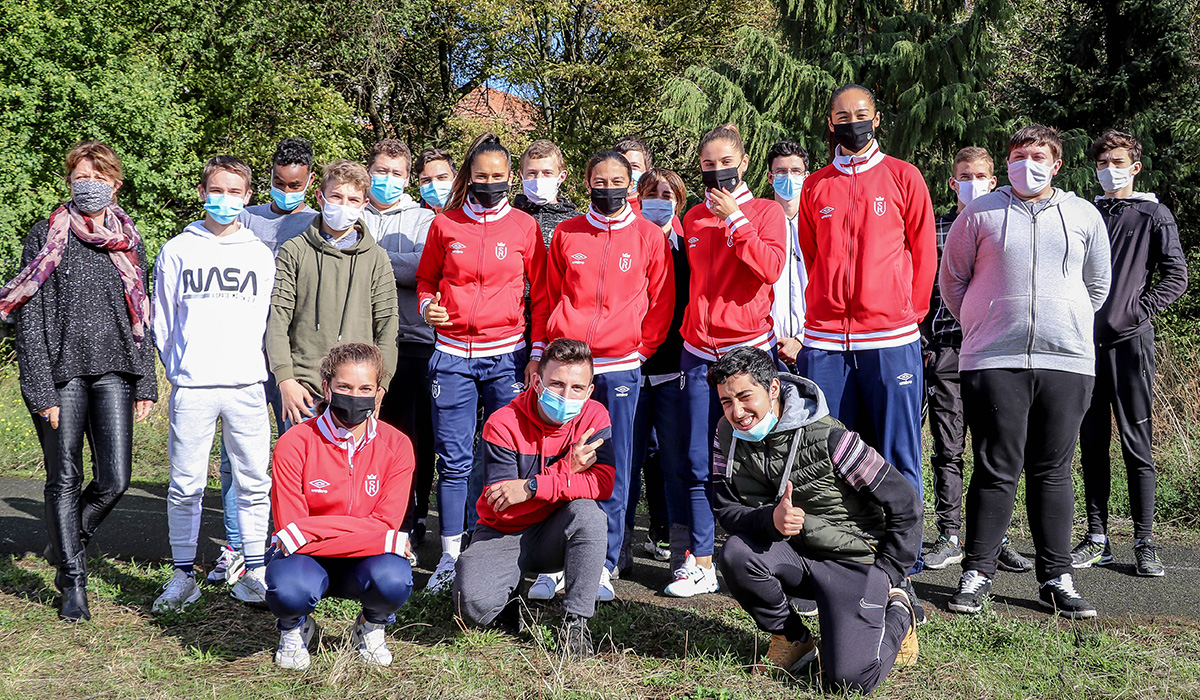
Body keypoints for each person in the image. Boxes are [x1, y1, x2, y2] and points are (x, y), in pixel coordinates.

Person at [940, 124, 1110, 618]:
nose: (1026, 164)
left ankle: (1056, 577)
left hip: (1067, 360)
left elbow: (1096, 284)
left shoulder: (1084, 215)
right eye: (1017, 156)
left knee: (1054, 470)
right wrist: (986, 321)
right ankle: (976, 573)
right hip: (993, 358)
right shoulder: (980, 212)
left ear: (1057, 163)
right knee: (995, 468)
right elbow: (953, 281)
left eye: (1038, 156)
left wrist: (1066, 320)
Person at [2, 140, 157, 622]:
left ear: (116, 183)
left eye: (99, 175)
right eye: (79, 175)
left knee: (115, 478)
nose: (88, 183)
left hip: (115, 372)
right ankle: (73, 580)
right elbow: (29, 316)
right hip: (60, 373)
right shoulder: (46, 234)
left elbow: (142, 312)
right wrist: (40, 388)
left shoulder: (130, 240)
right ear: (69, 179)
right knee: (64, 477)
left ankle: (65, 543)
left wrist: (146, 381)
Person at [795, 84, 935, 614]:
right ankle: (839, 561)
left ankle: (904, 566)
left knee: (898, 453)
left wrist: (908, 313)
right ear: (830, 123)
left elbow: (923, 250)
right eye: (841, 116)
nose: (851, 123)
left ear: (876, 118)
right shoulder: (815, 186)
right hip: (826, 340)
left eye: (860, 114)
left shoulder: (904, 176)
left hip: (892, 338)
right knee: (825, 454)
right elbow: (811, 254)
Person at [710, 347, 919, 690]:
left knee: (849, 681)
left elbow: (904, 500)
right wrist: (771, 522)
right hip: (796, 554)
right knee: (736, 553)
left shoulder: (832, 438)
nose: (737, 412)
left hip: (853, 560)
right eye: (726, 402)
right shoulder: (725, 436)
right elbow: (726, 510)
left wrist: (889, 572)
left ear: (773, 389)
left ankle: (899, 612)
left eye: (746, 397)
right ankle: (792, 637)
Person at [530, 150, 673, 601]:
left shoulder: (649, 236)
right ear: (586, 183)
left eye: (618, 181)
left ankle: (603, 564)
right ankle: (552, 563)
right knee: (555, 458)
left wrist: (640, 348)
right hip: (567, 366)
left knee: (615, 461)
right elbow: (549, 295)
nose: (608, 188)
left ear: (630, 184)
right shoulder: (567, 232)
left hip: (621, 367)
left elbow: (661, 300)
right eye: (599, 180)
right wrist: (543, 351)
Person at [415, 133, 549, 592]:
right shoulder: (445, 225)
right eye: (480, 177)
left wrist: (535, 355)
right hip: (451, 357)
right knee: (453, 460)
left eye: (497, 177)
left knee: (506, 458)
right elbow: (427, 280)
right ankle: (450, 555)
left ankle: (497, 547)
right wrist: (428, 304)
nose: (488, 184)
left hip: (507, 358)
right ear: (467, 178)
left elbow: (543, 297)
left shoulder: (524, 228)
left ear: (509, 179)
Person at [150, 156, 276, 613]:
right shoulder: (178, 250)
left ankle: (254, 572)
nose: (225, 200)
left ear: (247, 197)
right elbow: (161, 322)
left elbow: (267, 321)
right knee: (185, 484)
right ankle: (184, 575)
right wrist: (179, 367)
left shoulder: (259, 254)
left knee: (254, 482)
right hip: (194, 386)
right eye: (216, 191)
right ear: (203, 192)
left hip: (246, 385)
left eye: (235, 192)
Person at [676, 123, 786, 598]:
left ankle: (773, 555)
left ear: (742, 163)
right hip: (698, 353)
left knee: (763, 457)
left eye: (726, 162)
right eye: (708, 164)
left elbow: (770, 268)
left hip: (749, 353)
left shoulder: (765, 212)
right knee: (699, 459)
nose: (717, 171)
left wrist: (737, 219)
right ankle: (700, 560)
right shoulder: (693, 217)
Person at [453, 339, 615, 658]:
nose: (566, 396)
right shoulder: (502, 423)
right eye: (556, 384)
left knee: (590, 516)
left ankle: (576, 623)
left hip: (557, 530)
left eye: (577, 388)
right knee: (472, 607)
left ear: (590, 391)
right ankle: (509, 597)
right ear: (537, 381)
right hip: (504, 532)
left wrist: (531, 487)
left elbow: (603, 484)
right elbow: (505, 509)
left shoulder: (596, 417)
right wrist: (569, 470)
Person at [1073, 130, 1187, 576]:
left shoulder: (1153, 214)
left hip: (1130, 344)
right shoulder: (1085, 212)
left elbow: (1177, 277)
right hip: (1082, 344)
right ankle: (1097, 537)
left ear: (1135, 166)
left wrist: (1135, 313)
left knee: (1137, 444)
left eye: (1118, 162)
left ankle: (1145, 541)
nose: (1109, 170)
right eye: (1102, 163)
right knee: (1092, 443)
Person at [206, 137, 319, 586]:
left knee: (297, 452)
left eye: (294, 184)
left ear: (309, 182)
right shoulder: (246, 218)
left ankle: (290, 539)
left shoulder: (316, 222)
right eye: (277, 182)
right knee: (237, 456)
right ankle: (236, 546)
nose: (285, 190)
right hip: (243, 354)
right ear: (267, 178)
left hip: (294, 359)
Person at [265, 343, 416, 670]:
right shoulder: (294, 442)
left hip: (363, 563)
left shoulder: (397, 446)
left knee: (394, 579)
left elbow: (385, 522)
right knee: (289, 589)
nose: (354, 396)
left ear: (378, 393)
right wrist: (382, 538)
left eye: (365, 388)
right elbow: (292, 529)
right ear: (326, 388)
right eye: (344, 387)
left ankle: (370, 627)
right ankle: (295, 627)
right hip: (306, 562)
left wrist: (315, 531)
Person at [920, 147, 1032, 574]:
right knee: (948, 448)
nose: (973, 181)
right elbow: (924, 291)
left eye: (981, 175)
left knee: (996, 449)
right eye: (964, 175)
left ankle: (994, 537)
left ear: (993, 179)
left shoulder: (1007, 222)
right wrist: (927, 342)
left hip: (996, 352)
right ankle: (949, 533)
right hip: (948, 352)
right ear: (953, 182)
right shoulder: (936, 229)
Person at [266, 159, 399, 431]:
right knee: (301, 471)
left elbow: (387, 327)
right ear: (320, 196)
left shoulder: (377, 258)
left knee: (351, 472)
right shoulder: (295, 251)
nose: (344, 205)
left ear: (364, 204)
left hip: (356, 393)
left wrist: (379, 387)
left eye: (353, 200)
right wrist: (285, 380)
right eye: (336, 196)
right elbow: (278, 320)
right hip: (303, 392)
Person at [362, 139, 439, 548]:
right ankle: (370, 514)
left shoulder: (423, 219)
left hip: (412, 341)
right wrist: (396, 264)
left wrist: (367, 261)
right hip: (358, 346)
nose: (387, 180)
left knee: (411, 438)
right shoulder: (353, 212)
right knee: (366, 432)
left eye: (396, 173)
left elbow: (424, 268)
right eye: (381, 171)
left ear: (408, 178)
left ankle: (413, 515)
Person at [623, 168, 689, 571]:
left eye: (667, 194)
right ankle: (617, 549)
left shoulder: (689, 248)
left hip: (672, 368)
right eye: (650, 192)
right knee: (624, 462)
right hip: (627, 367)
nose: (658, 200)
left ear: (678, 202)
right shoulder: (625, 242)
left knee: (675, 463)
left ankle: (682, 552)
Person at [765, 140, 810, 371]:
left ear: (806, 176)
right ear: (770, 177)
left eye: (795, 171)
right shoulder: (758, 225)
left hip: (812, 344)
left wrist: (801, 340)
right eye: (781, 172)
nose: (788, 178)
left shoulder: (817, 227)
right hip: (766, 346)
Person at [513, 139, 579, 247]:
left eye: (547, 173)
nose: (539, 178)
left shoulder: (576, 223)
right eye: (532, 173)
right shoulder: (509, 219)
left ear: (561, 177)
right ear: (521, 176)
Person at [614, 136, 653, 215]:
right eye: (620, 165)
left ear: (648, 173)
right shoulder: (599, 209)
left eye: (634, 166)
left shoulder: (656, 212)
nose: (627, 171)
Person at [416, 148, 456, 214]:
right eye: (426, 180)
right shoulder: (414, 219)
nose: (434, 185)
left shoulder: (473, 212)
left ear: (456, 178)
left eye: (442, 177)